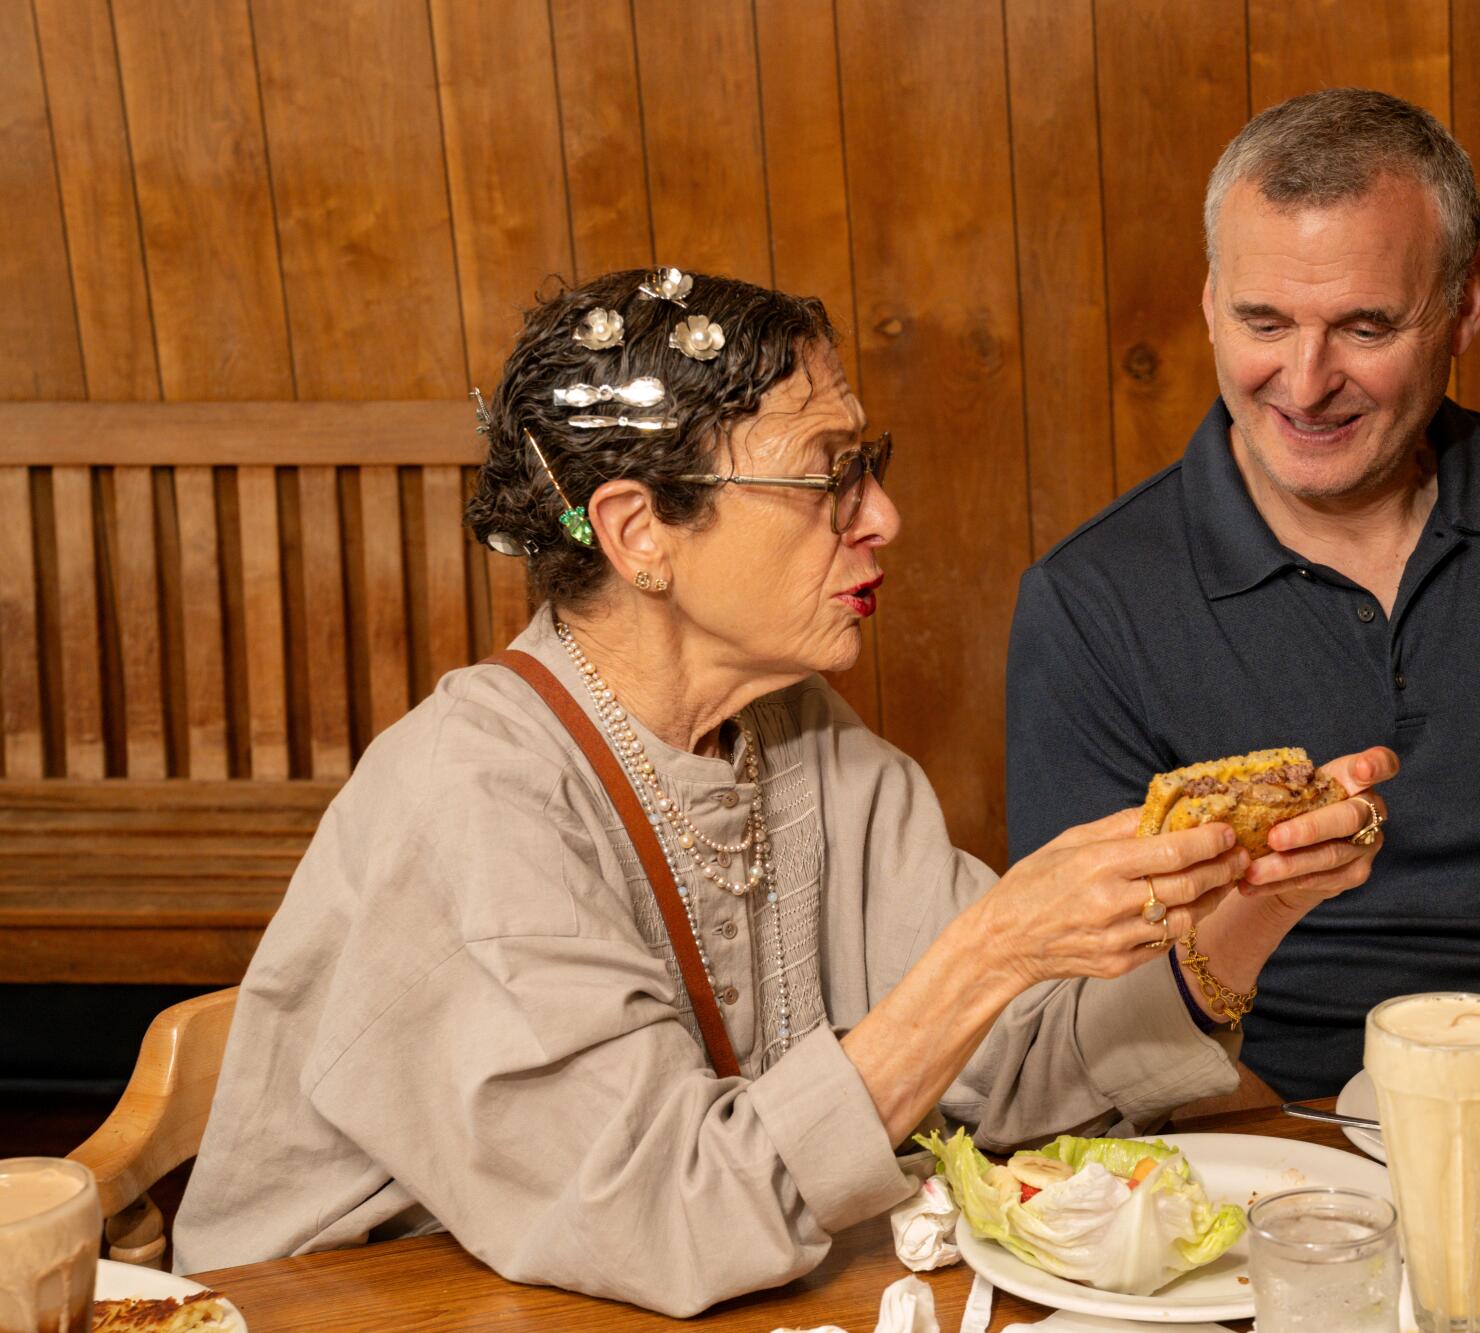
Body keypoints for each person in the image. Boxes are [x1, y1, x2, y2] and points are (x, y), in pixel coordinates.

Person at [171, 268, 1389, 1315]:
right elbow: (668, 1215)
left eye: (874, 467)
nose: (885, 520)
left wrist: (1248, 908)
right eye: (830, 478)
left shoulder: (799, 737)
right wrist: (989, 947)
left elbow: (1000, 1075)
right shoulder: (466, 799)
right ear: (638, 530)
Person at [1005, 88, 1480, 1102]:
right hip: (1276, 1156)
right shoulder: (1087, 602)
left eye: (1363, 326)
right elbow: (1092, 1028)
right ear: (1208, 303)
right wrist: (1336, 1184)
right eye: (1262, 320)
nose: (1302, 379)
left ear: (1463, 306)